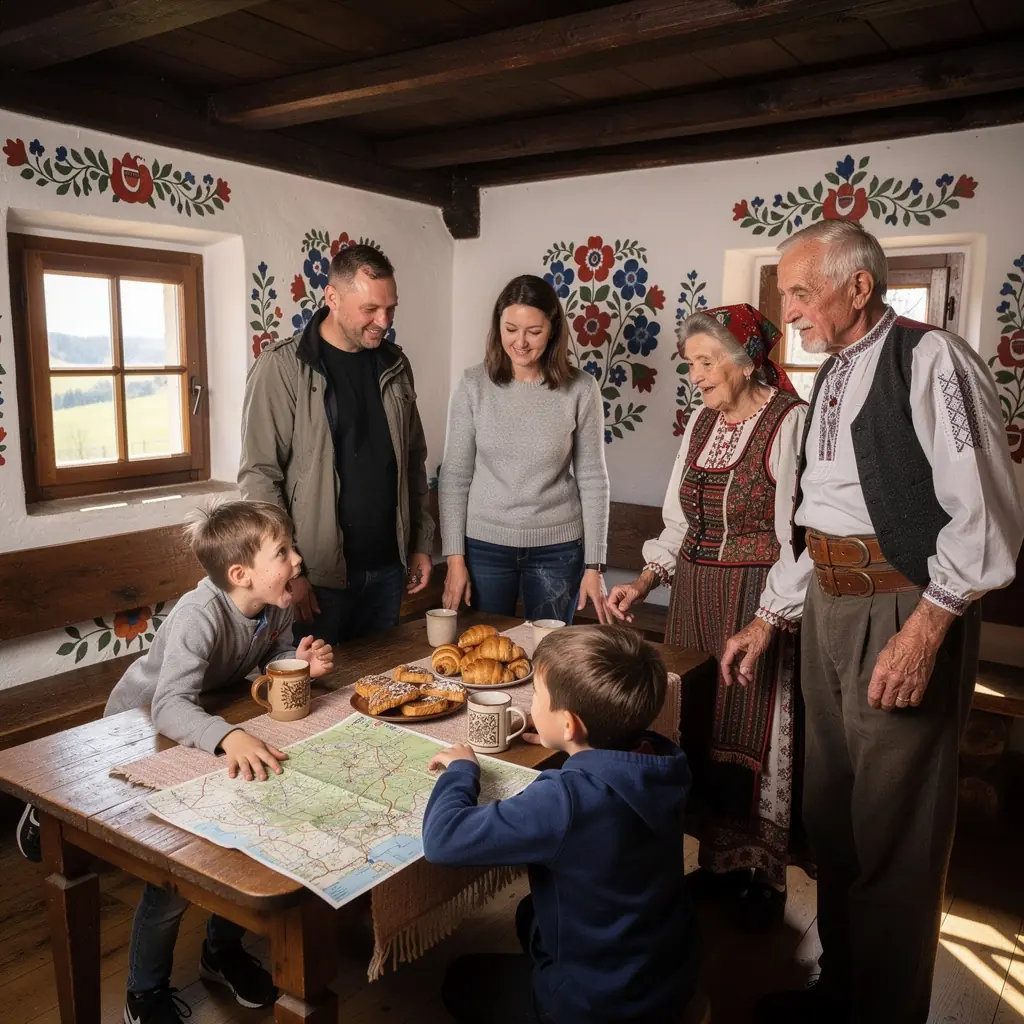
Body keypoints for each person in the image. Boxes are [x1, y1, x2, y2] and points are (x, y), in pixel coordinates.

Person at [721, 221, 1024, 1024]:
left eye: (800, 292)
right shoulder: (830, 374)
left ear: (859, 286)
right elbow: (821, 521)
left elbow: (988, 515)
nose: (788, 312)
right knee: (838, 820)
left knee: (896, 831)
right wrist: (768, 617)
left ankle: (884, 1012)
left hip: (902, 608)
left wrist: (926, 630)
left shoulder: (930, 360)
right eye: (785, 293)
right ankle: (845, 992)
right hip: (828, 604)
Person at [607, 303, 806, 931]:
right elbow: (679, 523)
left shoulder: (788, 423)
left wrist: (769, 617)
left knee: (751, 732)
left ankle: (763, 878)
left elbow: (797, 537)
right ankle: (717, 867)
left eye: (704, 361)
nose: (694, 375)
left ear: (745, 360)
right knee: (694, 726)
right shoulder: (699, 423)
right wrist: (642, 582)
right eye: (690, 363)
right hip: (692, 602)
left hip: (756, 603)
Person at [104, 500, 332, 1024]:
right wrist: (228, 738)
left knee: (245, 840)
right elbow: (166, 705)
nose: (297, 560)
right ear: (240, 574)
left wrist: (303, 667)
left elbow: (271, 655)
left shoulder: (274, 602)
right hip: (137, 731)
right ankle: (144, 993)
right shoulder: (198, 615)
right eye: (283, 551)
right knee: (173, 868)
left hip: (208, 721)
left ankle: (220, 951)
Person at [422, 625, 700, 1024]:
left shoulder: (565, 801)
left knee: (459, 980)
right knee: (528, 913)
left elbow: (442, 840)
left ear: (570, 724)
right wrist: (568, 744)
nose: (532, 702)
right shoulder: (661, 760)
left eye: (536, 695)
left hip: (598, 1007)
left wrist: (462, 771)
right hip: (668, 975)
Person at [239, 243, 435, 646]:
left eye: (391, 308)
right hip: (316, 580)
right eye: (370, 310)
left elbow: (413, 461)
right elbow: (259, 478)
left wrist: (419, 544)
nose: (384, 321)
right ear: (332, 297)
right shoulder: (281, 367)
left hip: (387, 571)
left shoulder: (396, 364)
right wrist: (291, 574)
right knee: (319, 699)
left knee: (381, 694)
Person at [439, 274, 609, 625]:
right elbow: (454, 476)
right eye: (510, 328)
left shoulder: (581, 389)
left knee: (549, 657)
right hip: (483, 547)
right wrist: (455, 559)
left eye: (533, 331)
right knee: (485, 653)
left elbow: (593, 479)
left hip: (558, 550)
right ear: (497, 325)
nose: (520, 342)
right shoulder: (473, 385)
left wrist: (593, 565)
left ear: (553, 330)